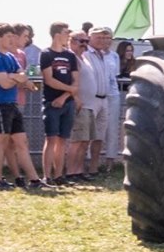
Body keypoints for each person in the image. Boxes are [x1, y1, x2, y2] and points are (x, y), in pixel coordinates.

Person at [0, 24, 43, 190]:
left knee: (21, 142)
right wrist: (17, 78)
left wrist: (13, 77)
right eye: (8, 36)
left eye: (13, 36)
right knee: (1, 143)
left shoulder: (10, 57)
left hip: (12, 104)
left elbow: (23, 76)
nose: (12, 39)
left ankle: (34, 180)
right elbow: (4, 84)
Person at [40, 23, 81, 182]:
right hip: (51, 102)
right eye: (65, 33)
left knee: (63, 140)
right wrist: (70, 89)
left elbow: (76, 80)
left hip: (67, 103)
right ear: (57, 34)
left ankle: (58, 175)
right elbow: (49, 80)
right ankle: (47, 176)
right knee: (51, 139)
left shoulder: (70, 56)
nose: (68, 36)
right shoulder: (46, 54)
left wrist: (65, 96)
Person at [80, 27, 121, 177]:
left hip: (105, 98)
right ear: (90, 38)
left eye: (105, 38)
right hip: (90, 99)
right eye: (99, 38)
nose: (103, 41)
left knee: (99, 136)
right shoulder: (85, 54)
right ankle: (79, 169)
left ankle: (94, 168)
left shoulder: (105, 55)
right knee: (85, 136)